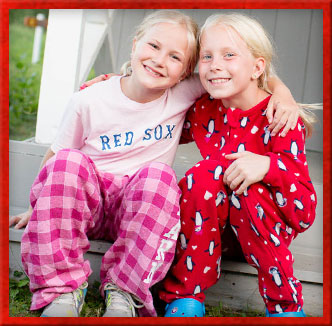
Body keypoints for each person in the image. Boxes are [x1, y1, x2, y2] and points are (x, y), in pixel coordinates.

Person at [9, 10, 299, 318]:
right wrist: (38, 205)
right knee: (69, 161)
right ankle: (62, 292)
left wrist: (284, 94)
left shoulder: (182, 93)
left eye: (175, 57)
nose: (160, 60)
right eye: (153, 46)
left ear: (186, 72)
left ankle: (124, 292)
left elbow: (242, 70)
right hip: (89, 205)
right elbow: (55, 158)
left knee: (159, 176)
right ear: (134, 46)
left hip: (138, 212)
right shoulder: (89, 100)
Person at [159, 13, 317, 317]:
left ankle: (284, 305)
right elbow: (155, 112)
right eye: (207, 56)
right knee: (204, 174)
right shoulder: (203, 109)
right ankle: (186, 297)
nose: (215, 65)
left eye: (229, 55)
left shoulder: (280, 118)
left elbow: (304, 213)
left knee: (248, 187)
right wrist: (119, 85)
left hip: (264, 233)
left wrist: (268, 167)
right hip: (211, 237)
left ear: (258, 67)